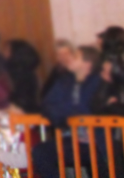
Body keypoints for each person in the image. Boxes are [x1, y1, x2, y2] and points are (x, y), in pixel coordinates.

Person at [34, 45, 100, 178]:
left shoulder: (98, 83)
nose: (70, 59)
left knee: (103, 162)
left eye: (75, 57)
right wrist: (65, 118)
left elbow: (92, 108)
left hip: (97, 140)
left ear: (87, 63)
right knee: (40, 153)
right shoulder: (64, 81)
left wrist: (68, 111)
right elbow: (48, 105)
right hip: (70, 137)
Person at [5, 39, 42, 113]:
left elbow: (21, 98)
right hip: (29, 112)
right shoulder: (30, 73)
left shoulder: (16, 74)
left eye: (7, 50)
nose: (5, 53)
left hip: (19, 114)